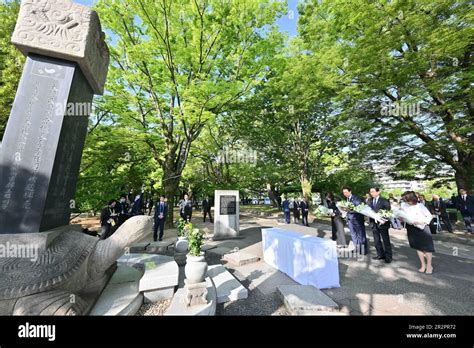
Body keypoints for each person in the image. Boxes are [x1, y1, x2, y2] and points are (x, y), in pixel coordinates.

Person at [400, 191, 435, 274]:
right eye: (405, 200)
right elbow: (403, 216)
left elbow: (429, 216)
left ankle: (429, 265)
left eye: (407, 200)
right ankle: (423, 265)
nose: (406, 202)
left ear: (412, 199)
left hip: (423, 228)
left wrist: (420, 221)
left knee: (427, 248)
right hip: (412, 228)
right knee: (418, 247)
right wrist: (401, 218)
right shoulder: (403, 205)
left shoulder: (420, 206)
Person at [368, 187, 393, 263]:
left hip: (383, 223)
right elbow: (367, 210)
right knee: (376, 240)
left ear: (378, 192)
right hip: (373, 223)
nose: (371, 193)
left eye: (373, 192)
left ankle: (388, 257)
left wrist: (383, 219)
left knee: (385, 240)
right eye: (370, 192)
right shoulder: (369, 200)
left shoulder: (384, 200)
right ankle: (380, 254)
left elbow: (388, 211)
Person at [342, 186, 368, 255]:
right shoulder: (347, 199)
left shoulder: (356, 198)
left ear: (350, 191)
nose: (345, 194)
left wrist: (349, 210)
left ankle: (364, 249)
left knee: (360, 235)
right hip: (350, 219)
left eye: (346, 192)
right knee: (353, 235)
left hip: (357, 219)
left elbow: (359, 208)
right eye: (344, 192)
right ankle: (357, 248)